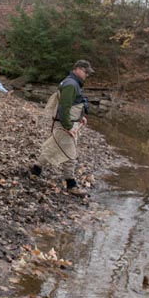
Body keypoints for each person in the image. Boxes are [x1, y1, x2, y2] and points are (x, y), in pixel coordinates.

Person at [31, 59, 95, 197]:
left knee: (54, 147)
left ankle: (35, 170)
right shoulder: (71, 85)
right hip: (66, 125)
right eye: (85, 72)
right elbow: (64, 107)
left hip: (68, 122)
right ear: (77, 69)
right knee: (71, 155)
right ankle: (71, 185)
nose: (87, 75)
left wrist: (80, 117)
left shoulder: (71, 83)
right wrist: (69, 126)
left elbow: (73, 104)